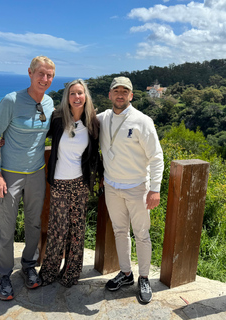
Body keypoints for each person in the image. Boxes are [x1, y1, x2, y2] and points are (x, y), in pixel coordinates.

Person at [0, 56, 55, 301]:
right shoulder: (11, 100)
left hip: (37, 173)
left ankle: (28, 266)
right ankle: (2, 274)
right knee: (7, 226)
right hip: (10, 175)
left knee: (34, 223)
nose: (44, 79)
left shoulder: (49, 102)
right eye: (41, 74)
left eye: (49, 75)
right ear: (30, 73)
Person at [97, 76, 164, 304]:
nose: (120, 94)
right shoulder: (103, 119)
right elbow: (76, 124)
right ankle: (126, 274)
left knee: (141, 235)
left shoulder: (142, 121)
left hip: (137, 188)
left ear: (131, 96)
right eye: (116, 91)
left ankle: (144, 278)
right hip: (112, 187)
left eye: (125, 91)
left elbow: (156, 156)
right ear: (109, 95)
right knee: (119, 231)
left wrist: (154, 189)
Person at [39, 79, 101, 287]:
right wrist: (5, 138)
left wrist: (100, 176)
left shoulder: (93, 122)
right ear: (67, 97)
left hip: (80, 183)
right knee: (58, 230)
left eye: (80, 93)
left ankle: (71, 274)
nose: (76, 97)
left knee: (77, 230)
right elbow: (36, 134)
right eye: (72, 93)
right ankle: (48, 272)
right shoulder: (57, 120)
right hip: (59, 182)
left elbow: (97, 154)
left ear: (86, 97)